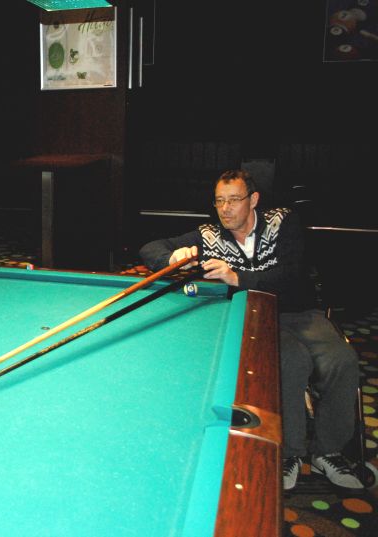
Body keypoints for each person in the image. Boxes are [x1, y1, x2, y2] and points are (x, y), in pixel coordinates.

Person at [138, 169, 362, 491]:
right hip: (253, 316)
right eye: (219, 201)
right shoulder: (209, 235)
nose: (225, 209)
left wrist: (237, 278)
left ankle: (328, 451)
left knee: (343, 360)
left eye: (233, 200)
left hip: (298, 311)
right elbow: (150, 248)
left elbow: (290, 274)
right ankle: (289, 453)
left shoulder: (283, 222)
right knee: (291, 361)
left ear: (253, 199)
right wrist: (173, 255)